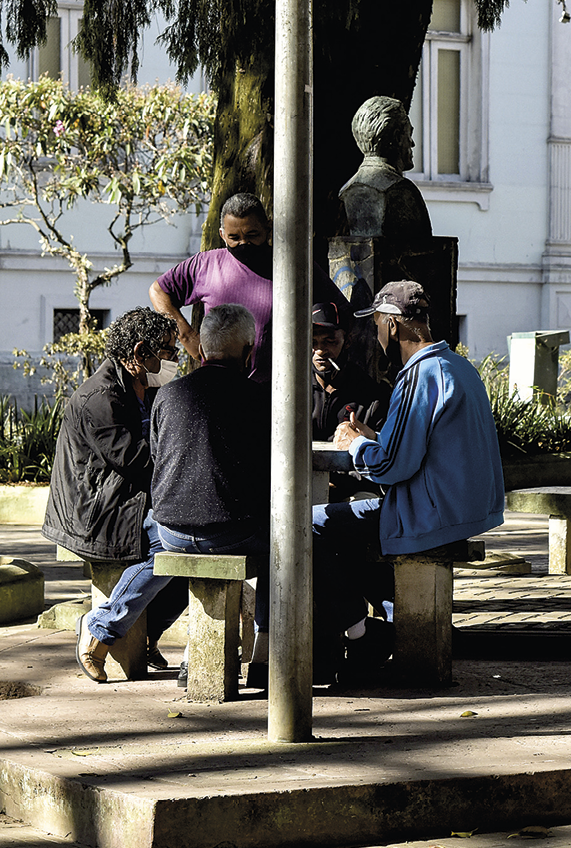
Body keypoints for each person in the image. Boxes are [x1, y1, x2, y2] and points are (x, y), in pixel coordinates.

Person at [312, 280, 505, 675]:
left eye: (379, 322)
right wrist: (378, 439)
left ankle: (361, 633)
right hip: (464, 508)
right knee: (350, 527)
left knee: (311, 525)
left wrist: (355, 444)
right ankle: (383, 622)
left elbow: (392, 467)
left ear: (394, 325)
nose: (376, 331)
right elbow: (422, 447)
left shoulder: (418, 375)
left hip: (431, 514)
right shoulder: (456, 365)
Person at [44, 307, 183, 683]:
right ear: (140, 353)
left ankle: (146, 632)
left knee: (204, 549)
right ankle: (99, 627)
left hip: (129, 499)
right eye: (169, 352)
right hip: (97, 510)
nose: (174, 360)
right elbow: (139, 462)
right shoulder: (101, 399)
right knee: (177, 545)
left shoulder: (147, 387)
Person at [149, 303, 272, 688]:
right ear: (249, 351)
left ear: (201, 350)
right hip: (229, 532)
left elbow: (159, 458)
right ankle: (266, 654)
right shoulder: (259, 399)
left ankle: (190, 654)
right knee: (286, 548)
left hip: (170, 530)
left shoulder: (167, 395)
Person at [148, 192, 351, 382]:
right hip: (219, 387)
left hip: (276, 393)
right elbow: (159, 291)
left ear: (267, 229)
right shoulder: (206, 264)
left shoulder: (294, 266)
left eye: (252, 235)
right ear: (222, 234)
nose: (244, 243)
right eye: (234, 238)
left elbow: (339, 311)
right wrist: (188, 337)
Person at [338, 96, 433, 243]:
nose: (412, 143)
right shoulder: (401, 191)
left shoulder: (347, 189)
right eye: (409, 135)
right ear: (396, 138)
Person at [310, 300, 388, 442]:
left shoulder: (369, 395)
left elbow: (382, 449)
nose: (320, 351)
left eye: (329, 341)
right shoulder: (295, 388)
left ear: (347, 341)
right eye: (313, 342)